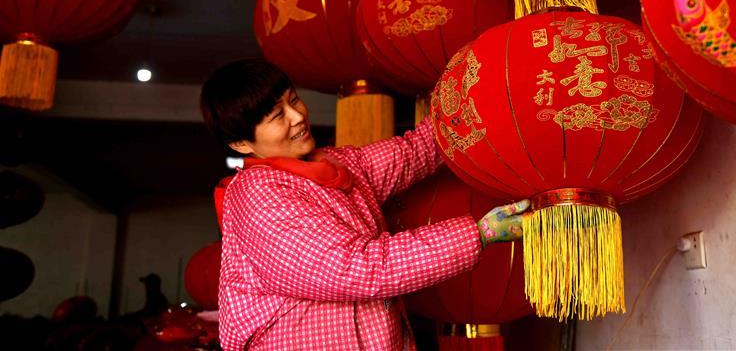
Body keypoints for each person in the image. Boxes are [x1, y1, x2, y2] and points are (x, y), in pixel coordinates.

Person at [200, 59, 528, 351]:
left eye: (294, 99)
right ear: (241, 143)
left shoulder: (339, 164)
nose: (298, 116)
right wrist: (478, 234)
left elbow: (418, 151)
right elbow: (356, 269)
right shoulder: (256, 195)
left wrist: (474, 85)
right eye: (277, 115)